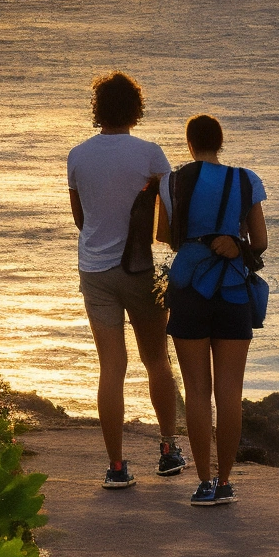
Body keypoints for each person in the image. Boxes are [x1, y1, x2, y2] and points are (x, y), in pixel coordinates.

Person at [67, 70, 186, 489]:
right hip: (138, 269)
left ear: (97, 110)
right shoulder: (151, 155)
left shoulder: (77, 156)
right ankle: (169, 450)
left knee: (111, 369)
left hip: (95, 271)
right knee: (157, 360)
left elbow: (81, 220)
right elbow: (170, 221)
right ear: (136, 109)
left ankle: (116, 466)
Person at [158, 113, 268, 506]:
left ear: (189, 144)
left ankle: (203, 483)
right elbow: (261, 241)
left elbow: (166, 237)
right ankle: (225, 482)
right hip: (234, 290)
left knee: (197, 392)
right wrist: (232, 242)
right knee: (230, 394)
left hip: (189, 291)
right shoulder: (246, 180)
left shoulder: (171, 181)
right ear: (221, 142)